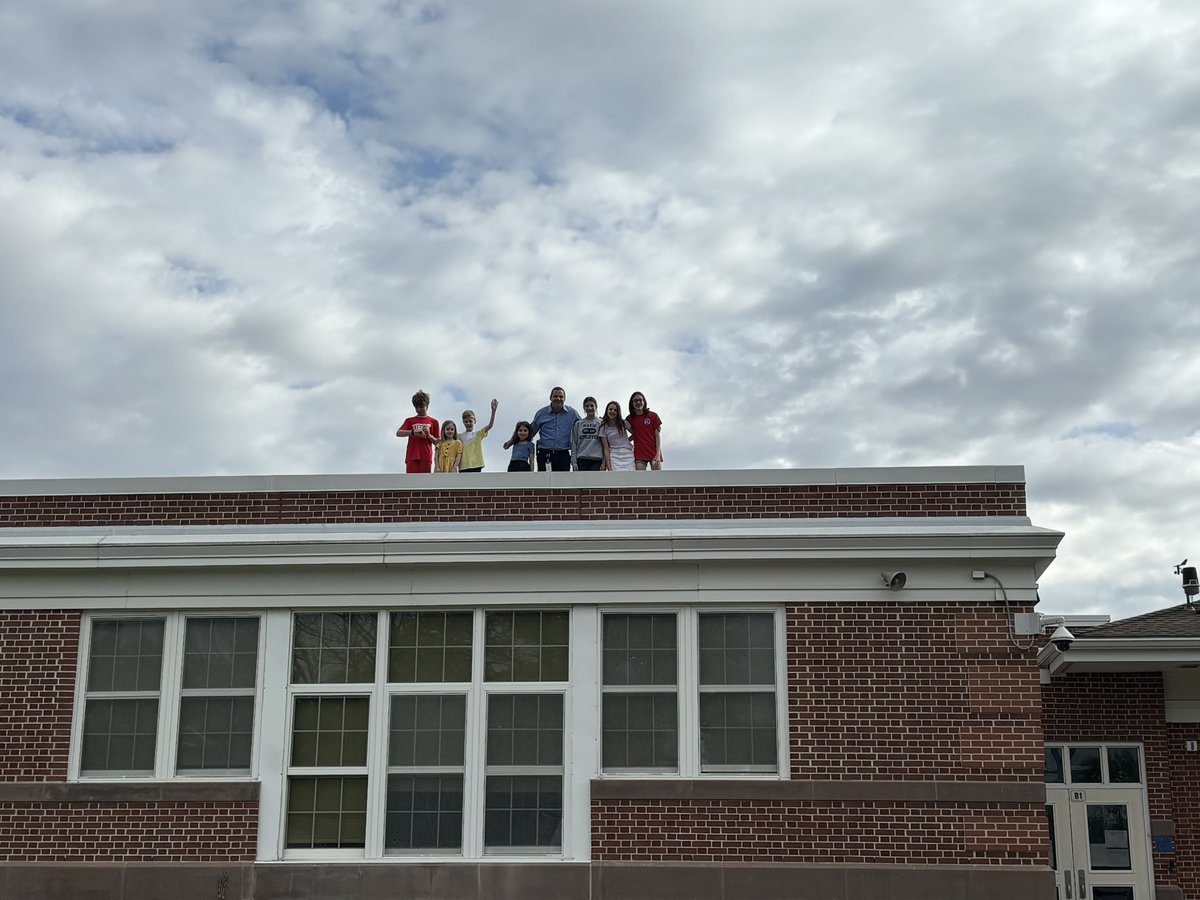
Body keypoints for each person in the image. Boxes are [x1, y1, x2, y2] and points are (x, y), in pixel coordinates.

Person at [530, 386, 580, 472]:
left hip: (563, 455)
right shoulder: (541, 413)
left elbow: (582, 426)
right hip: (545, 454)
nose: (558, 398)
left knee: (562, 483)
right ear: (550, 397)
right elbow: (530, 432)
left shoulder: (572, 413)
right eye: (555, 396)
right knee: (544, 482)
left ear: (564, 398)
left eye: (561, 397)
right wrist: (513, 441)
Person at [395, 390, 440, 474]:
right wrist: (413, 432)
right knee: (411, 482)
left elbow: (438, 443)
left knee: (424, 482)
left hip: (426, 455)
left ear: (427, 405)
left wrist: (429, 435)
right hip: (411, 456)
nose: (419, 409)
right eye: (417, 407)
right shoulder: (409, 420)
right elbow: (399, 433)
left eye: (421, 407)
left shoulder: (434, 422)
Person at [626, 391, 663, 470]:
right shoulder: (629, 419)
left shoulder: (653, 416)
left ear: (644, 402)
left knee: (657, 479)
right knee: (641, 479)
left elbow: (657, 436)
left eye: (640, 400)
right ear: (632, 404)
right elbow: (635, 434)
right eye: (635, 401)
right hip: (640, 454)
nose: (638, 402)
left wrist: (657, 454)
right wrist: (625, 441)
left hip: (654, 453)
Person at [460, 399, 498, 473]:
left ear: (475, 421)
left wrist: (493, 411)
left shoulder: (478, 434)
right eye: (466, 421)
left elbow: (490, 425)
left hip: (476, 465)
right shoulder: (459, 436)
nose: (468, 423)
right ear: (463, 422)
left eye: (470, 421)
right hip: (463, 465)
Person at [571, 397, 605, 471]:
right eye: (587, 406)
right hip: (582, 459)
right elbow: (574, 444)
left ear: (596, 407)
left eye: (592, 405)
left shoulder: (601, 423)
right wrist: (574, 462)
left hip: (597, 460)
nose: (589, 408)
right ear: (584, 408)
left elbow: (605, 445)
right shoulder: (578, 424)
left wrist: (604, 462)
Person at [599, 401, 635, 472]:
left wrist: (627, 440)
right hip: (614, 455)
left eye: (615, 410)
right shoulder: (603, 427)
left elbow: (635, 434)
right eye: (610, 409)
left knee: (630, 476)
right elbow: (606, 449)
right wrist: (609, 467)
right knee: (616, 478)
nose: (612, 411)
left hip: (627, 453)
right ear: (607, 410)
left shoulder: (623, 423)